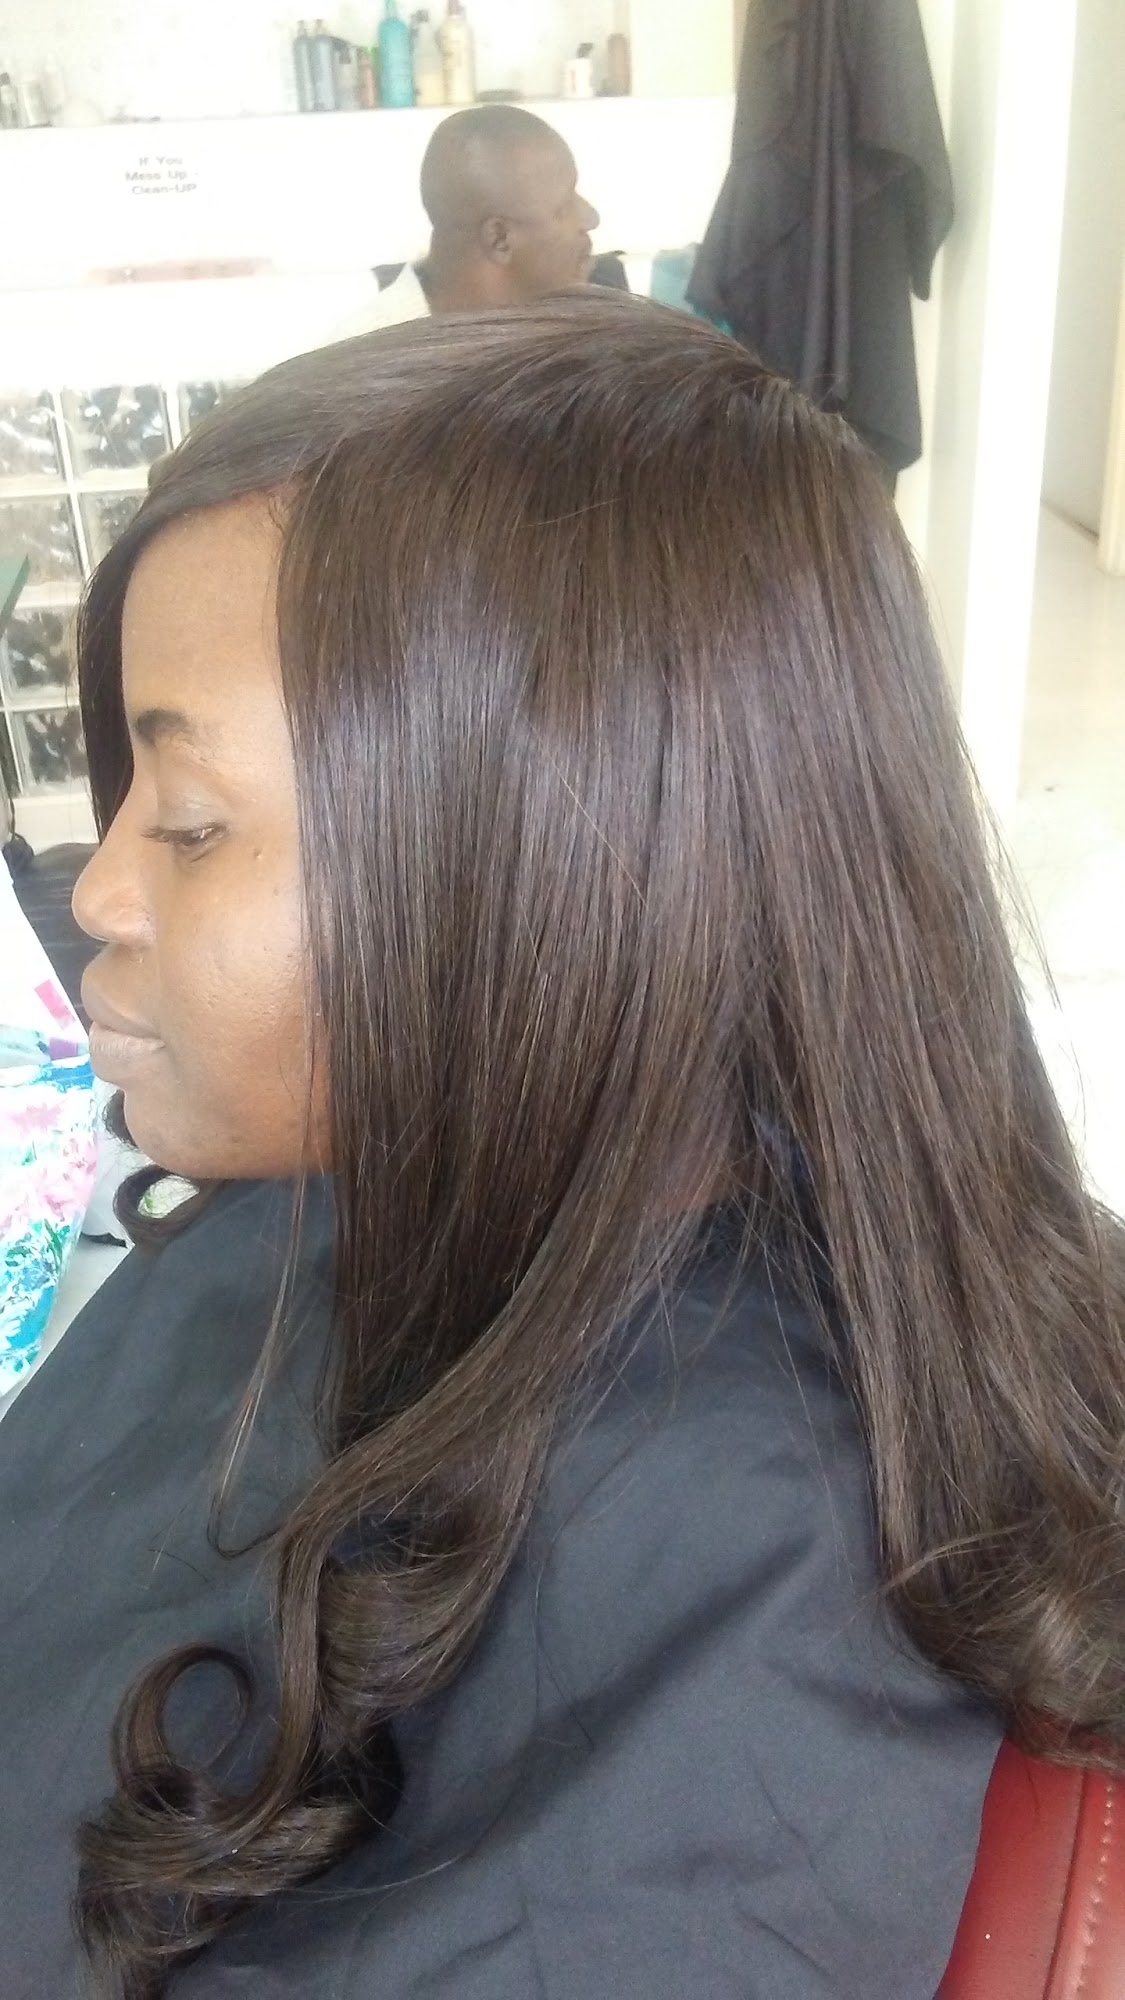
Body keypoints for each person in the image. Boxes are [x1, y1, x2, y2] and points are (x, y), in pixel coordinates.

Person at [1, 295, 1123, 2000]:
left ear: (549, 879)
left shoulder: (740, 1579)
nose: (96, 892)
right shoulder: (353, 1182)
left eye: (194, 823)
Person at [329, 104, 600, 338]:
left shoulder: (573, 326)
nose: (591, 217)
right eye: (566, 205)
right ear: (499, 239)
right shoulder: (360, 370)